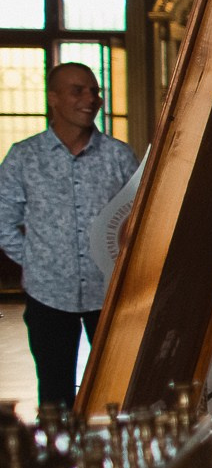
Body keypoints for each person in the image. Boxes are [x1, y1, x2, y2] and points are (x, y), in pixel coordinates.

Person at [0, 62, 137, 408]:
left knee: (120, 392)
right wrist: (36, 260)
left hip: (109, 293)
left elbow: (142, 220)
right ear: (54, 98)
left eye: (95, 91)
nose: (90, 98)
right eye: (78, 90)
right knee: (54, 394)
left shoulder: (119, 157)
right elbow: (3, 220)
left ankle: (116, 459)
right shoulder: (24, 157)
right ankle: (58, 461)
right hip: (48, 295)